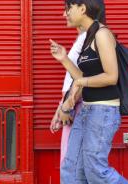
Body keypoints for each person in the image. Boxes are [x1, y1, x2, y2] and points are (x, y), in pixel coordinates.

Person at [50, 0, 128, 184]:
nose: (64, 13)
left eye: (68, 8)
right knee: (72, 169)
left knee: (96, 170)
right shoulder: (88, 37)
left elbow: (111, 77)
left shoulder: (102, 34)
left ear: (82, 8)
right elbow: (82, 77)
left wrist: (80, 82)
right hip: (87, 110)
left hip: (103, 111)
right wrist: (64, 59)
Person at [49, 28, 86, 165]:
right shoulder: (82, 38)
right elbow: (71, 80)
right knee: (71, 162)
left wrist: (65, 108)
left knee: (72, 163)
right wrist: (60, 108)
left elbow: (82, 80)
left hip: (77, 106)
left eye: (68, 8)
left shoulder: (87, 39)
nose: (65, 14)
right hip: (72, 104)